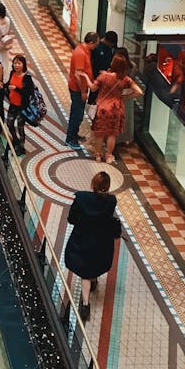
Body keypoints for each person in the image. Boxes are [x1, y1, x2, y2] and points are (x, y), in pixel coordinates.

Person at [64, 171, 122, 322]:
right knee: (95, 263)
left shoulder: (82, 198)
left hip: (82, 239)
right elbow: (109, 219)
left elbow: (71, 219)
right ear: (107, 187)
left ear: (93, 184)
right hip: (101, 241)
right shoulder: (110, 202)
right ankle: (94, 280)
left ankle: (85, 304)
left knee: (85, 272)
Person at [87, 53, 143, 164]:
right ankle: (108, 156)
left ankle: (98, 155)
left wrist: (85, 78)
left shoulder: (104, 76)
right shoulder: (126, 79)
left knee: (100, 133)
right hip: (116, 109)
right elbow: (139, 92)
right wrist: (125, 96)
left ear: (113, 64)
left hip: (103, 109)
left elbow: (93, 88)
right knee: (112, 134)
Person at [66, 31, 99, 151]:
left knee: (78, 113)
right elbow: (78, 75)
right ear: (90, 42)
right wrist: (83, 91)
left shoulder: (85, 51)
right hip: (77, 89)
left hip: (80, 88)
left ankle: (74, 134)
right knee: (77, 114)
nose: (95, 47)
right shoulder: (80, 53)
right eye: (95, 44)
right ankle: (70, 138)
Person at [4, 54, 34, 157]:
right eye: (15, 63)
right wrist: (4, 86)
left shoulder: (27, 78)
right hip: (13, 104)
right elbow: (8, 84)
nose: (16, 65)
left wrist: (16, 89)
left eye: (19, 63)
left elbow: (29, 92)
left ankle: (21, 146)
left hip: (22, 107)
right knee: (9, 123)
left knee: (20, 127)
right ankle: (15, 141)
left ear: (23, 65)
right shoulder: (12, 73)